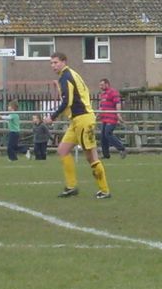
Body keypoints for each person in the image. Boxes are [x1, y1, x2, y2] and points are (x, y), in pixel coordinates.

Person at [44, 52, 111, 199]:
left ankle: (105, 190)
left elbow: (67, 101)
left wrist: (52, 117)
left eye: (56, 62)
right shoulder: (70, 74)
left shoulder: (66, 77)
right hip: (76, 119)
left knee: (91, 156)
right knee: (62, 150)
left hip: (83, 119)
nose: (53, 66)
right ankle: (71, 187)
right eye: (51, 63)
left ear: (64, 62)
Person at [98, 78, 127, 159]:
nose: (100, 86)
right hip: (104, 118)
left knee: (108, 133)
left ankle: (122, 149)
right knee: (103, 136)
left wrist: (118, 114)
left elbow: (118, 103)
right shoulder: (103, 94)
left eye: (102, 85)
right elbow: (101, 107)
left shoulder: (113, 92)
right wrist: (96, 116)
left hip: (111, 118)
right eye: (100, 85)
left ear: (107, 84)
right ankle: (106, 155)